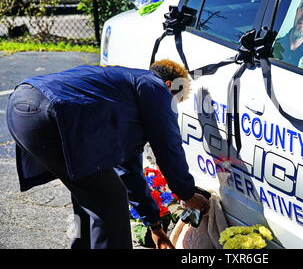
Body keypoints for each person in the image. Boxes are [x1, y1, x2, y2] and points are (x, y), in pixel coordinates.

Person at [6, 59, 210, 249]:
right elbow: (168, 145)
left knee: (90, 197)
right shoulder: (154, 86)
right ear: (169, 86)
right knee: (109, 199)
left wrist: (155, 226)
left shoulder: (123, 91)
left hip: (21, 105)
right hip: (51, 114)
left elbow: (128, 169)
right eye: (175, 100)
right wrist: (187, 193)